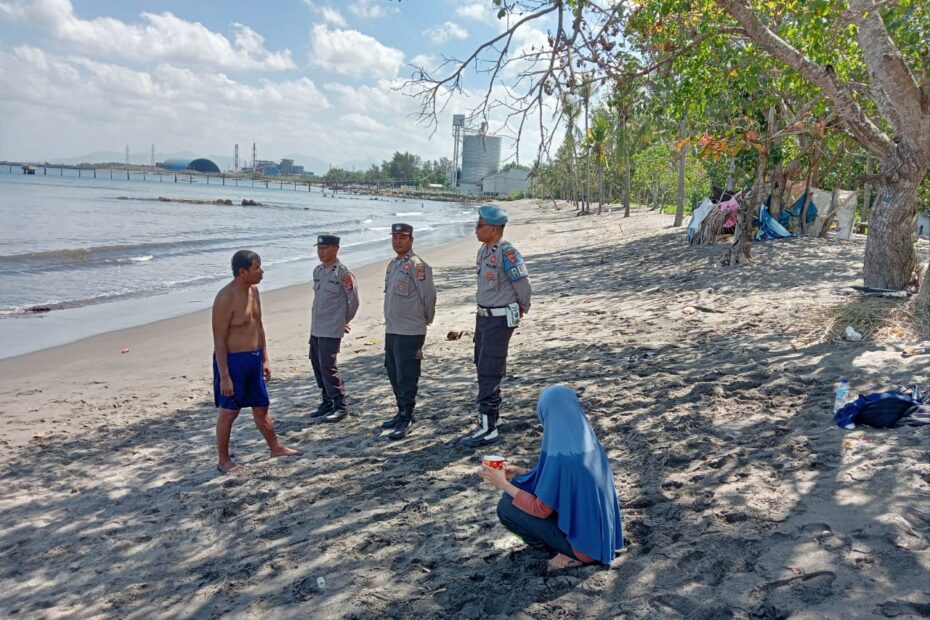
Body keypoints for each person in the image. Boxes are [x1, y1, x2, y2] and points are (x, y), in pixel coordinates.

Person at [479, 385, 624, 570]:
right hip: (604, 539)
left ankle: (563, 553)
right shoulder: (587, 444)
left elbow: (541, 509)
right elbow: (562, 481)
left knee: (507, 506)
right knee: (519, 493)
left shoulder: (560, 456)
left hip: (585, 549)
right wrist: (521, 472)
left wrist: (502, 483)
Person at [212, 250, 298, 473]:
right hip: (233, 362)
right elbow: (219, 341)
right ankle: (223, 460)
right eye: (257, 268)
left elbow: (259, 327)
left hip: (254, 359)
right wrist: (225, 376)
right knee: (229, 411)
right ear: (243, 271)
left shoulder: (255, 292)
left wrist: (265, 359)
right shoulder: (225, 298)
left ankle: (275, 447)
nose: (261, 272)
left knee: (262, 407)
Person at [460, 204, 532, 448]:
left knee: (489, 369)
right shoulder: (483, 251)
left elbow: (523, 286)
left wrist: (522, 308)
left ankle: (487, 427)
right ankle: (494, 417)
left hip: (499, 319)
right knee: (482, 363)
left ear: (493, 229)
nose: (476, 229)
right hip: (484, 317)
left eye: (480, 226)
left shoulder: (507, 252)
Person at [381, 223, 437, 440]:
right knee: (393, 370)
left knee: (407, 374)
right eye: (394, 237)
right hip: (393, 328)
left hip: (410, 330)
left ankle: (408, 415)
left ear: (411, 239)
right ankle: (401, 411)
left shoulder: (418, 266)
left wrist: (426, 319)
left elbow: (429, 296)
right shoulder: (393, 265)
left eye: (402, 237)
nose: (397, 241)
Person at [308, 234, 360, 422]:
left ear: (335, 249)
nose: (321, 252)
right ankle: (327, 401)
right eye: (319, 248)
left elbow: (353, 302)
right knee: (316, 363)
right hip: (316, 327)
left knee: (328, 366)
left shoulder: (343, 273)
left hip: (331, 328)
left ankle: (340, 405)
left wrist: (342, 321)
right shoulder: (318, 271)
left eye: (325, 248)